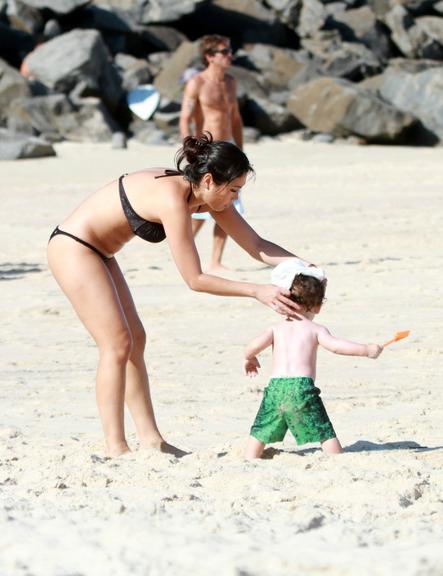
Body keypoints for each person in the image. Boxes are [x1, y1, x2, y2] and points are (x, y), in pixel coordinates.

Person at [47, 134, 312, 458]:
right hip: (73, 247)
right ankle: (115, 445)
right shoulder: (172, 199)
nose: (234, 199)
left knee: (135, 340)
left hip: (101, 253)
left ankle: (152, 440)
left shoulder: (206, 196)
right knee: (116, 343)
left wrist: (301, 264)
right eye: (233, 190)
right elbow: (194, 278)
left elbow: (256, 245)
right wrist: (256, 290)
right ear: (209, 180)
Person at [243, 259, 384, 459]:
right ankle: (335, 456)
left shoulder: (276, 328)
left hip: (275, 387)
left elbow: (251, 347)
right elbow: (336, 346)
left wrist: (250, 358)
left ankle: (251, 457)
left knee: (261, 427)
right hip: (302, 388)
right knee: (323, 429)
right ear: (317, 307)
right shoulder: (315, 329)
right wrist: (367, 350)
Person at [179, 34, 244, 275]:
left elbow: (235, 117)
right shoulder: (197, 83)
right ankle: (182, 248)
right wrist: (190, 149)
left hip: (229, 147)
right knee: (202, 203)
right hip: (207, 148)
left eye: (229, 50)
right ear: (209, 56)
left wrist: (240, 150)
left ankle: (215, 260)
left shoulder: (230, 82)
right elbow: (185, 118)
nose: (229, 55)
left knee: (230, 202)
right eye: (224, 51)